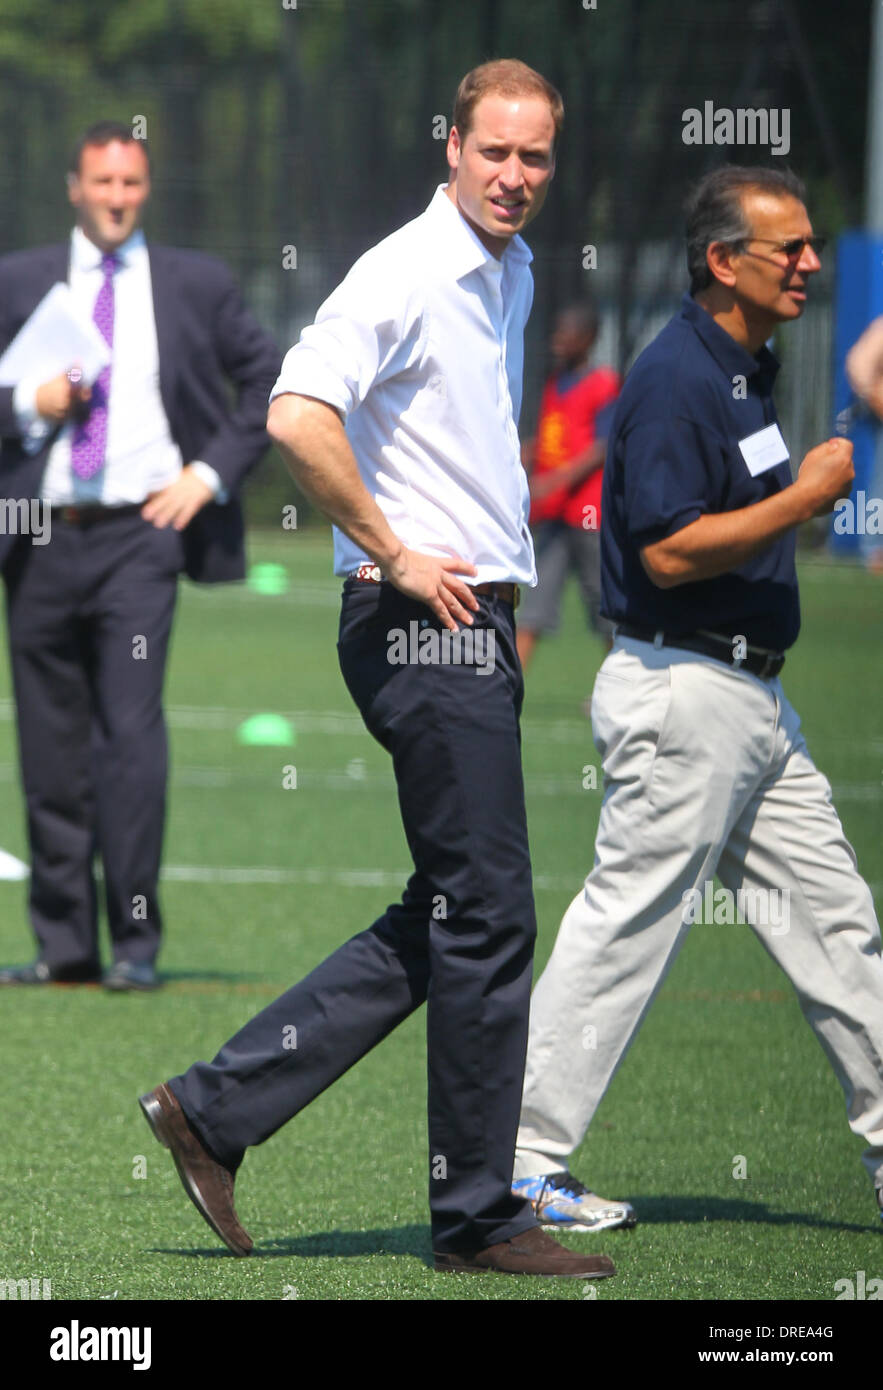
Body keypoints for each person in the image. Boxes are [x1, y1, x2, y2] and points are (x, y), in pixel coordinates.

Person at [139, 60, 617, 1280]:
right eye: (494, 152)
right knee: (491, 911)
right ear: (449, 143)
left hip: (469, 623)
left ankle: (214, 1109)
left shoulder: (502, 272)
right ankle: (475, 1216)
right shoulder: (408, 269)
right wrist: (397, 553)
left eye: (536, 157)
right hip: (418, 623)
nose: (515, 176)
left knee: (452, 908)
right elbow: (299, 413)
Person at [512, 164, 883, 1232]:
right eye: (789, 248)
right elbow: (667, 551)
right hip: (684, 695)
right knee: (626, 924)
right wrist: (809, 500)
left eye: (813, 244)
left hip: (752, 706)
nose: (812, 262)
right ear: (724, 262)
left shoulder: (743, 367)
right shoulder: (677, 375)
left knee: (837, 922)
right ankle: (518, 1163)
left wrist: (795, 494)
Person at [0, 121, 280, 991]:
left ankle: (133, 944)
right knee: (48, 745)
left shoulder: (195, 283)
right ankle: (63, 946)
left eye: (131, 182)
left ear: (145, 188)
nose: (117, 197)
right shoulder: (17, 282)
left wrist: (206, 476)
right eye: (102, 182)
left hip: (141, 536)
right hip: (39, 534)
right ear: (74, 189)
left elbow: (269, 377)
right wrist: (25, 401)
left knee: (129, 735)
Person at [516, 302, 620, 673]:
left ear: (589, 338)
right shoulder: (554, 382)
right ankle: (507, 685)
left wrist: (556, 479)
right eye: (557, 332)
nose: (558, 340)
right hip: (556, 515)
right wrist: (525, 455)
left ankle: (620, 691)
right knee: (535, 603)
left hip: (590, 514)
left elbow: (603, 446)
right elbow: (553, 440)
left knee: (603, 606)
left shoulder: (603, 383)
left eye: (567, 333)